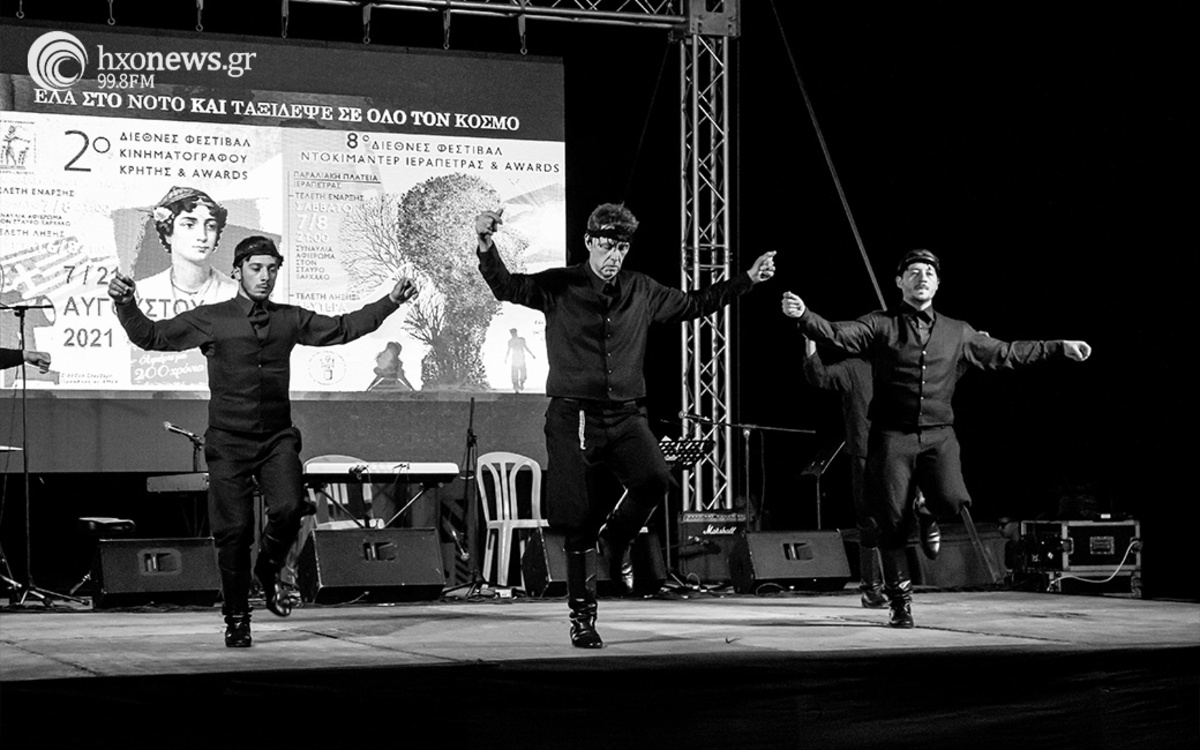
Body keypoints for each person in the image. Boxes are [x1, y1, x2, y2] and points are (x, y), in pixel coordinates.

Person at [475, 203, 776, 648]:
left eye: (622, 247)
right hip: (575, 416)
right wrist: (485, 243)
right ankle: (583, 617)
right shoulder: (561, 284)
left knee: (655, 478)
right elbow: (506, 286)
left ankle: (616, 540)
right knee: (580, 520)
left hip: (626, 414)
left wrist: (746, 279)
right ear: (589, 242)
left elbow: (696, 303)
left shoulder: (641, 289)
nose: (614, 255)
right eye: (606, 245)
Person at [109, 235, 417, 647]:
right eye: (256, 268)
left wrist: (390, 301)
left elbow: (343, 328)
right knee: (234, 532)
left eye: (272, 269)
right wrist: (125, 303)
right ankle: (237, 617)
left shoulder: (288, 318)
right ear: (237, 271)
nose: (265, 277)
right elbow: (151, 336)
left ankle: (268, 570)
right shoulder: (213, 318)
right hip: (228, 443)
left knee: (289, 508)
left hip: (276, 439)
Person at [782, 248, 1091, 628]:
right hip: (891, 437)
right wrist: (804, 316)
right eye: (913, 272)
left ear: (939, 283)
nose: (922, 277)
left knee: (952, 499)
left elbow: (1005, 353)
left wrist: (1059, 347)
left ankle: (928, 512)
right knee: (890, 523)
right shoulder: (880, 324)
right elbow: (838, 334)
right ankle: (900, 603)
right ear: (900, 282)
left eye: (929, 272)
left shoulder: (957, 331)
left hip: (938, 435)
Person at [136, 186, 239, 314]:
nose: (203, 236)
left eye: (211, 226)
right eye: (189, 225)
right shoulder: (142, 292)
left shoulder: (236, 293)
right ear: (167, 232)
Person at [505, 328, 535, 393]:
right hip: (515, 359)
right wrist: (506, 358)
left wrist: (532, 354)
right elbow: (508, 350)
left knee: (523, 372)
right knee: (514, 373)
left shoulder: (521, 340)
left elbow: (526, 347)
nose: (512, 334)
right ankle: (516, 387)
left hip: (521, 358)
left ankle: (521, 382)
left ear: (516, 333)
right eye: (511, 333)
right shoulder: (510, 341)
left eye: (513, 333)